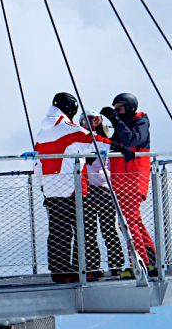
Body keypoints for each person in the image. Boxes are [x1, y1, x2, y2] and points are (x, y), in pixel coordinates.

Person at [34, 93, 134, 283]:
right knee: (82, 229)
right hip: (71, 187)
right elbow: (91, 140)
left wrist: (41, 183)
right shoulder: (66, 128)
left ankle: (60, 271)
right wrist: (120, 148)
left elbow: (38, 161)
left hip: (50, 188)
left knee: (58, 229)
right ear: (70, 108)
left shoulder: (42, 132)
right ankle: (84, 268)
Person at [100, 93, 157, 277]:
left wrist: (116, 120)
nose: (117, 112)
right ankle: (150, 258)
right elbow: (112, 142)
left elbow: (132, 139)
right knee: (133, 220)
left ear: (130, 107)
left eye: (120, 108)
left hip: (134, 177)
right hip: (121, 180)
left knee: (127, 221)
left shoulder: (141, 123)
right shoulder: (120, 126)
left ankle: (139, 264)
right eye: (115, 109)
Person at [79, 110, 125, 276]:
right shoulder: (80, 141)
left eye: (93, 120)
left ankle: (116, 264)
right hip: (87, 190)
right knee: (89, 231)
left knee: (107, 229)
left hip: (104, 189)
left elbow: (114, 144)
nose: (89, 124)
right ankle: (93, 266)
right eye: (85, 121)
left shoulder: (104, 141)